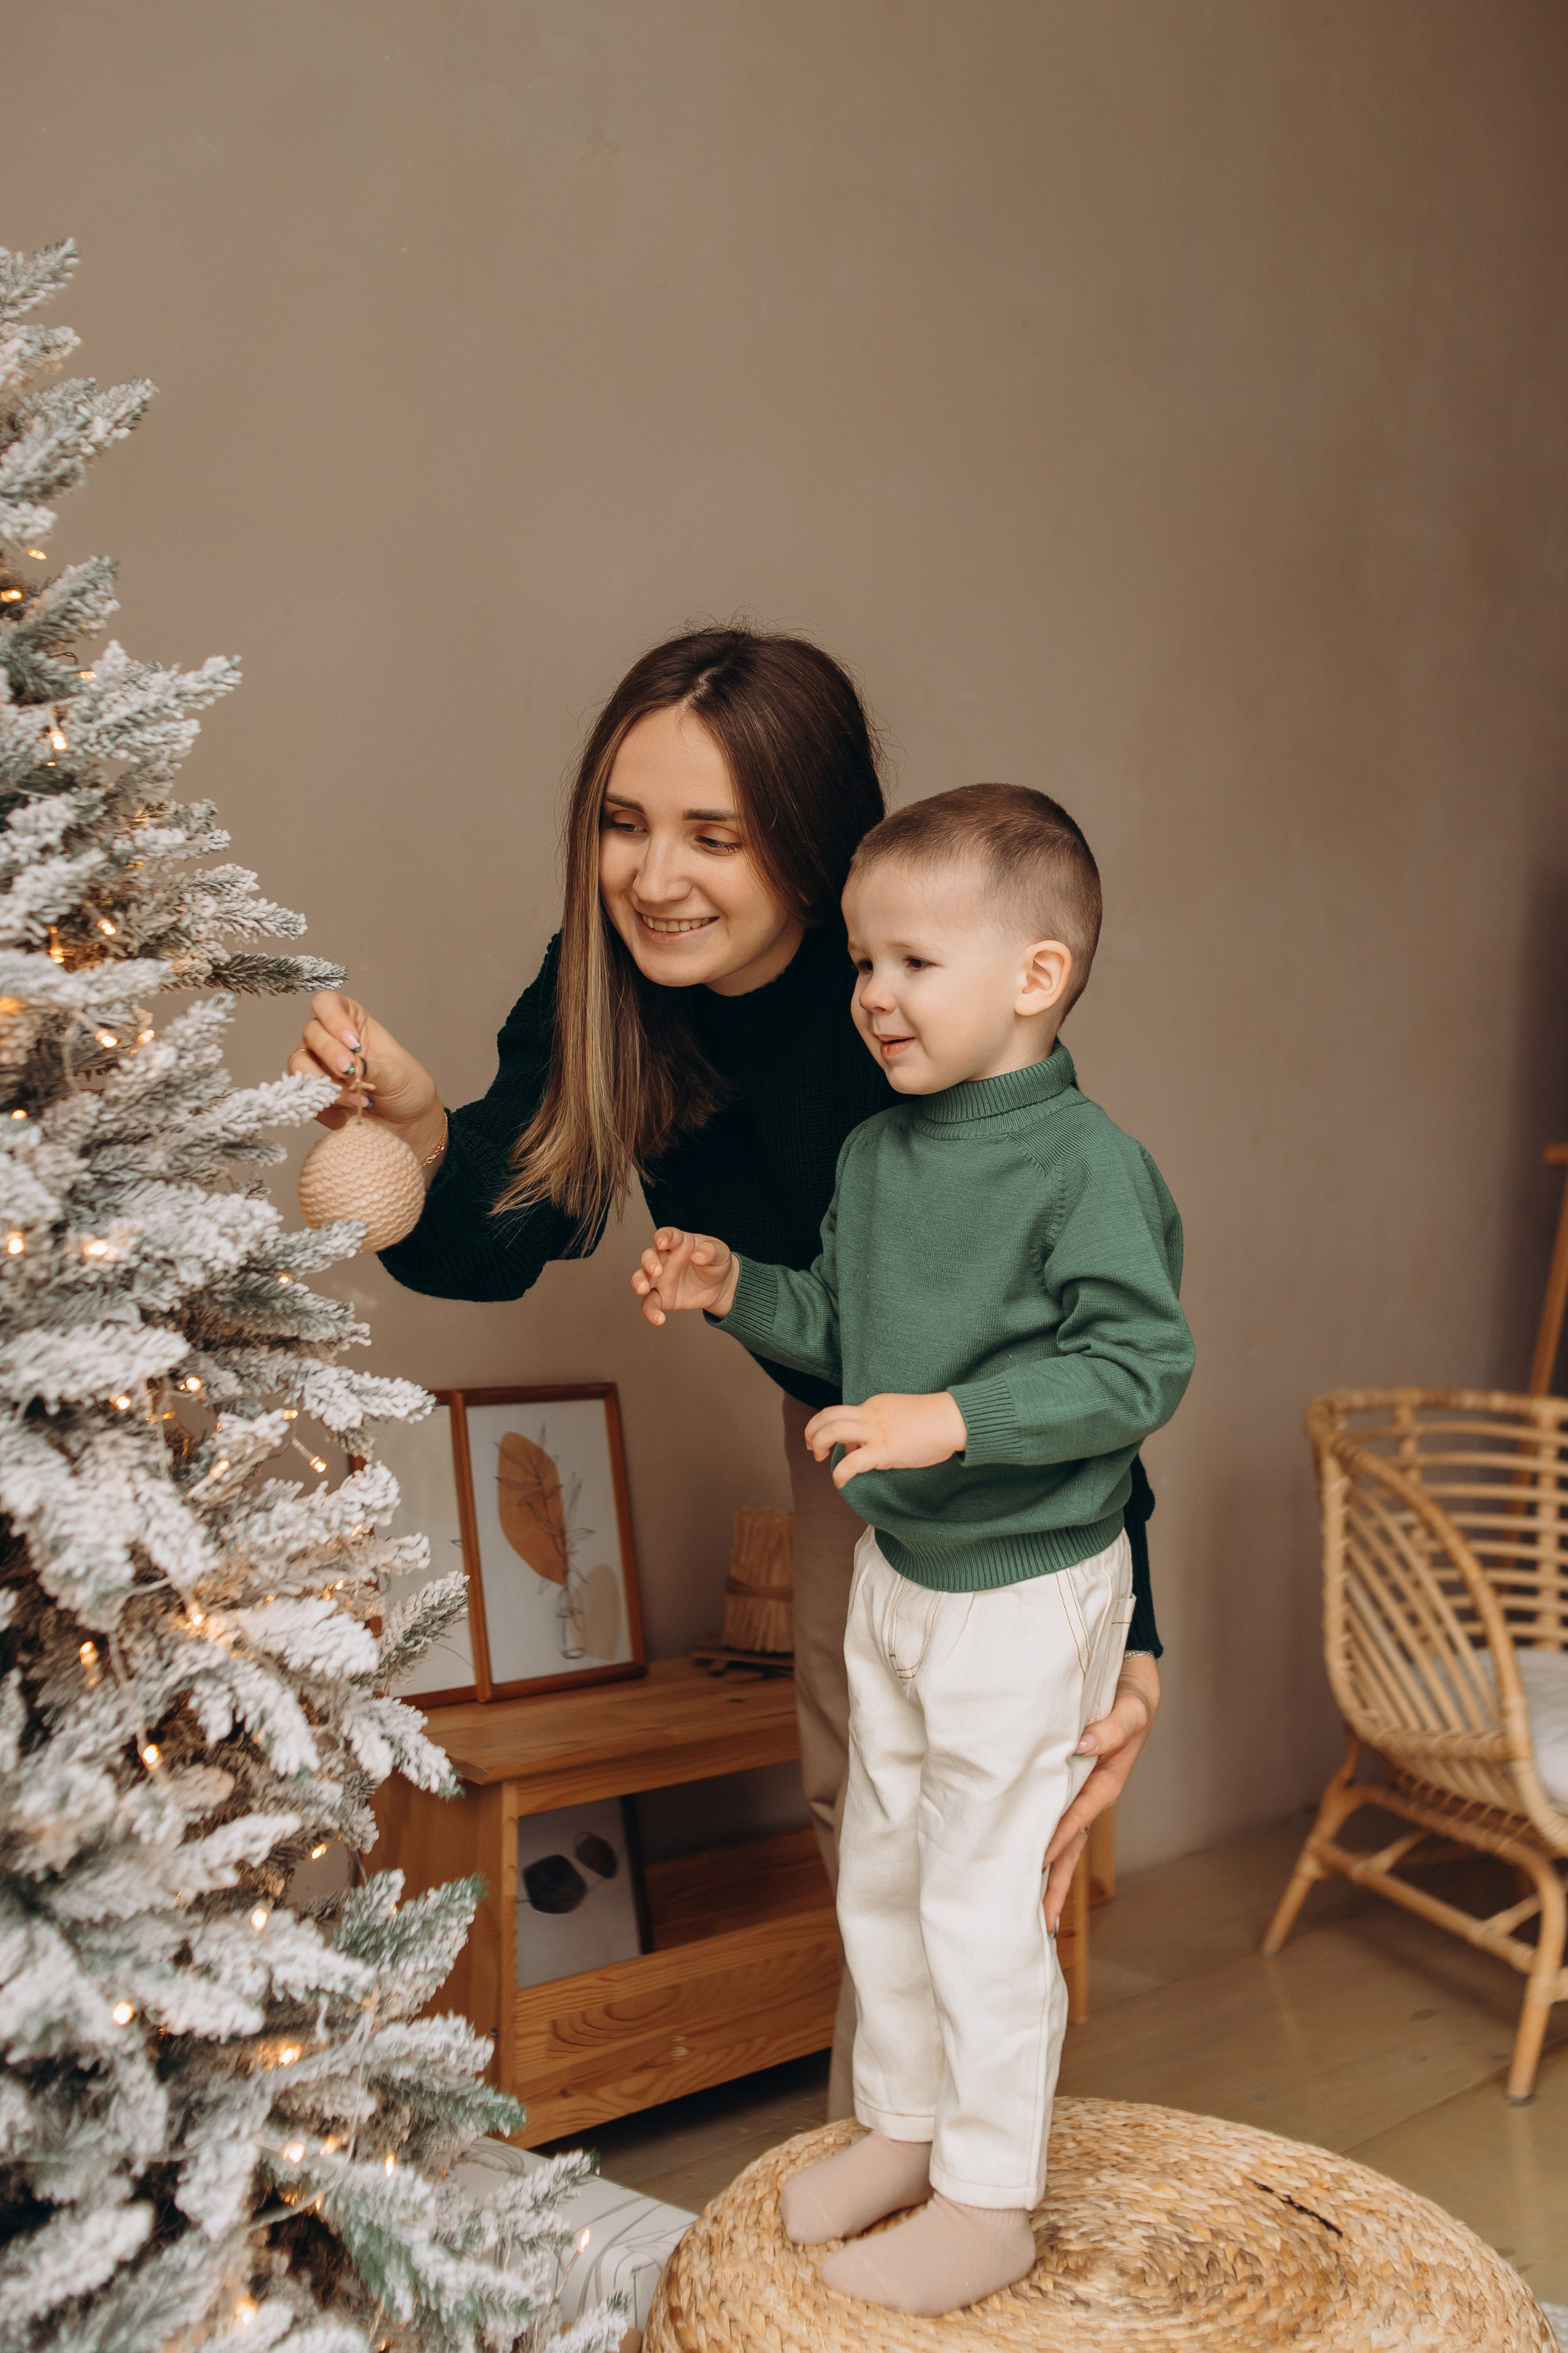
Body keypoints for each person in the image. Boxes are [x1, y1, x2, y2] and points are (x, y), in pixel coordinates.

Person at [287, 629, 1166, 2121]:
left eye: (715, 834)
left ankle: (979, 2179)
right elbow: (509, 1239)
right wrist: (431, 1127)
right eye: (624, 825)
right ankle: (881, 2149)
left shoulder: (896, 993)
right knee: (864, 1805)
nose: (654, 875)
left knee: (973, 1824)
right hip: (839, 1418)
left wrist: (1132, 1625)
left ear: (812, 848)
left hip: (1016, 1453)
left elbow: (1077, 1332)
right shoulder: (607, 982)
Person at [630, 783, 1194, 2316]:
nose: (871, 994)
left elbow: (1137, 1370)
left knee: (978, 1898)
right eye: (861, 964)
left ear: (1034, 977)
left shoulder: (1085, 1166)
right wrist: (734, 1281)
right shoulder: (879, 1158)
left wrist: (951, 1420)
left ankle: (989, 2198)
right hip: (899, 1577)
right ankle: (903, 2125)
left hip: (1023, 1591)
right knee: (879, 1868)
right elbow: (841, 1331)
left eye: (911, 964)